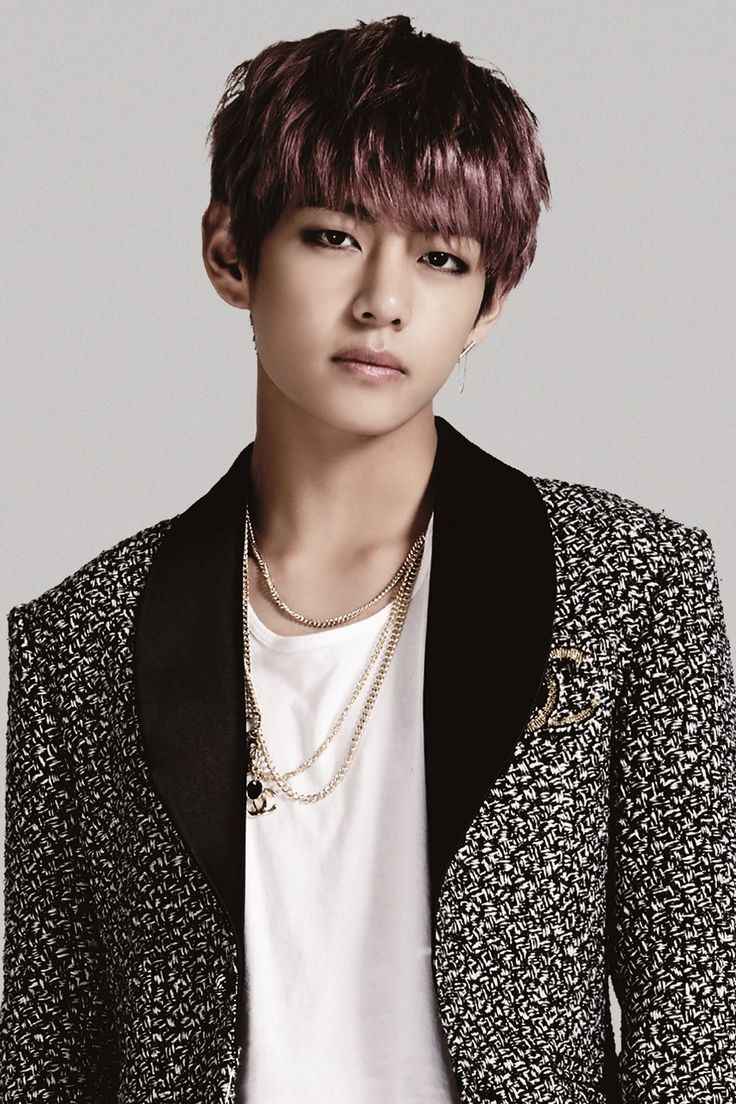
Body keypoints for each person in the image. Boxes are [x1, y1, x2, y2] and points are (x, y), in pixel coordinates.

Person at [1, 13, 734, 1104]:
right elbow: (46, 1057)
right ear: (229, 251)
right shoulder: (78, 641)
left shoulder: (630, 586)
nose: (383, 301)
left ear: (488, 303)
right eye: (333, 236)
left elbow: (699, 1024)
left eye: (440, 258)